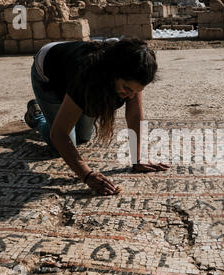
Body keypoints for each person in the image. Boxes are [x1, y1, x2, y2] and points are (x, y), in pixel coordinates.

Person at [25, 38, 170, 196]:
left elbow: (134, 115)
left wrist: (138, 159)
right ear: (113, 74)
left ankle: (66, 109)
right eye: (127, 89)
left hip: (71, 68)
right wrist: (87, 175)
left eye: (137, 91)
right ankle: (37, 115)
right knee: (62, 144)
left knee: (84, 137)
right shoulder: (87, 77)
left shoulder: (134, 69)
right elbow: (59, 134)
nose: (131, 95)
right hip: (48, 72)